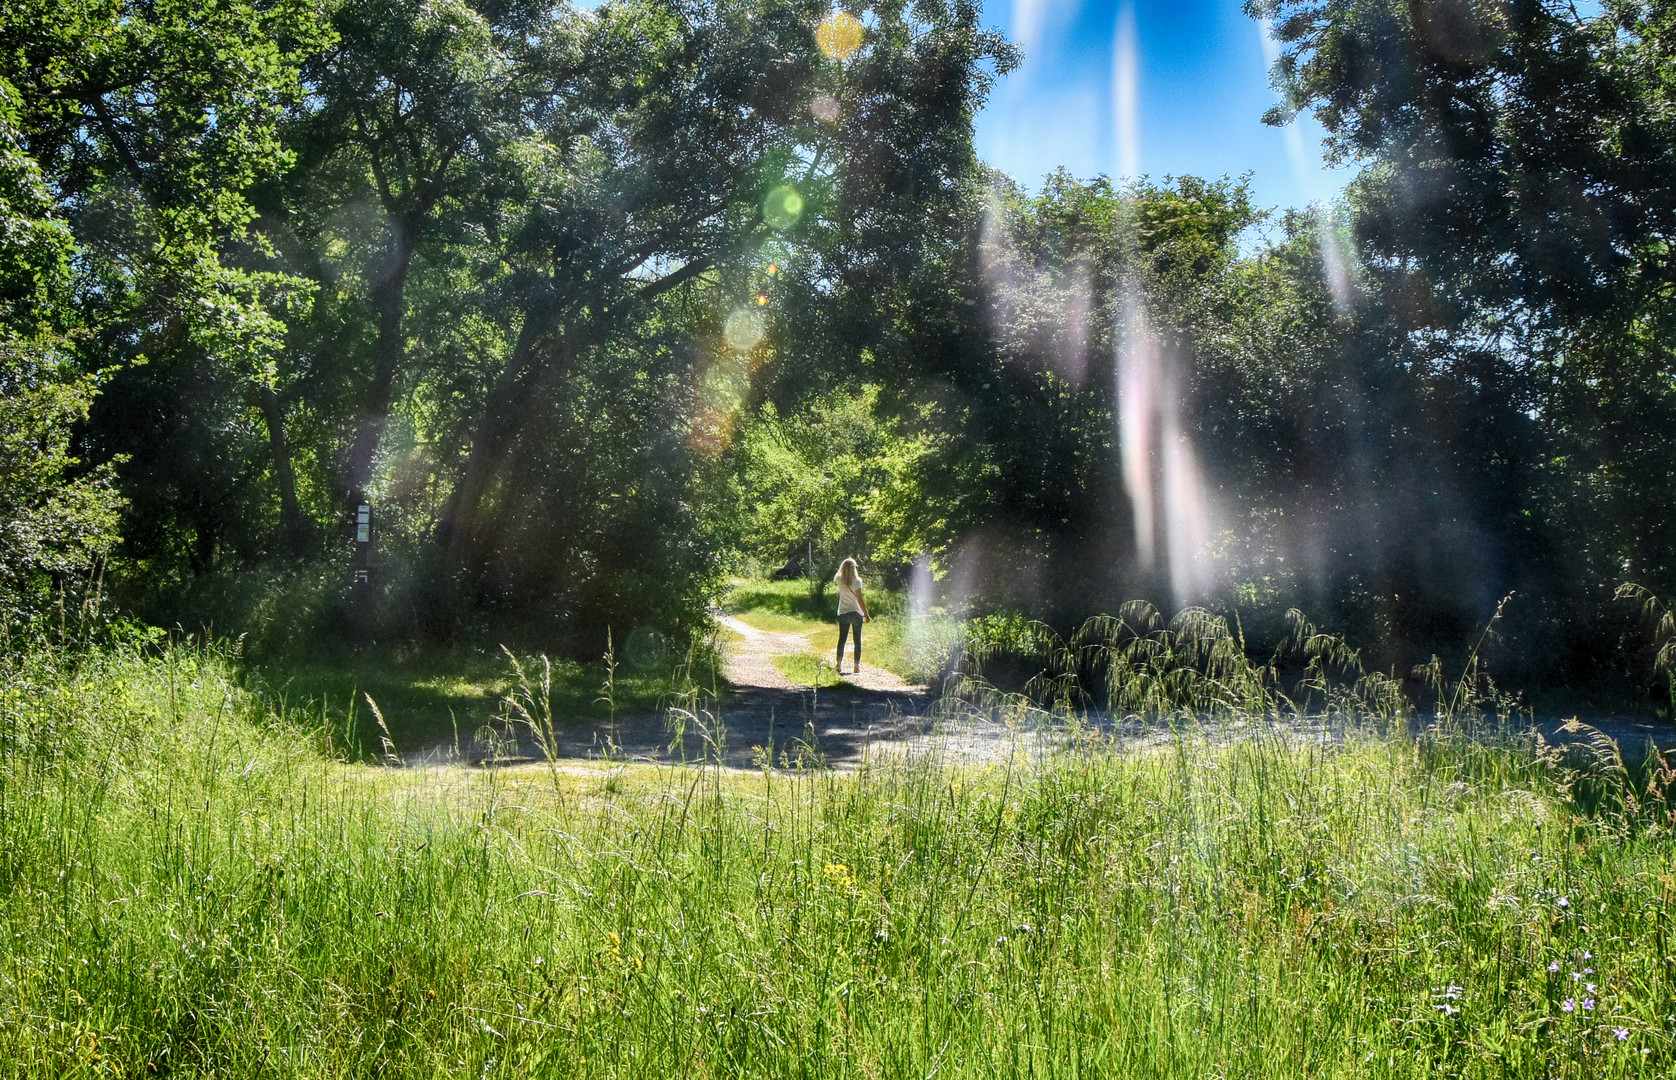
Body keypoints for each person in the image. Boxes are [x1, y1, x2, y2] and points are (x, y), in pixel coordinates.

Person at [833, 557, 870, 674]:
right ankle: (856, 666)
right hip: (856, 613)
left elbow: (840, 576)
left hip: (843, 611)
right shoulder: (857, 581)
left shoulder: (839, 579)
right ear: (854, 568)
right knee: (857, 639)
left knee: (842, 639)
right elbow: (859, 599)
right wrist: (866, 614)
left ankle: (839, 664)